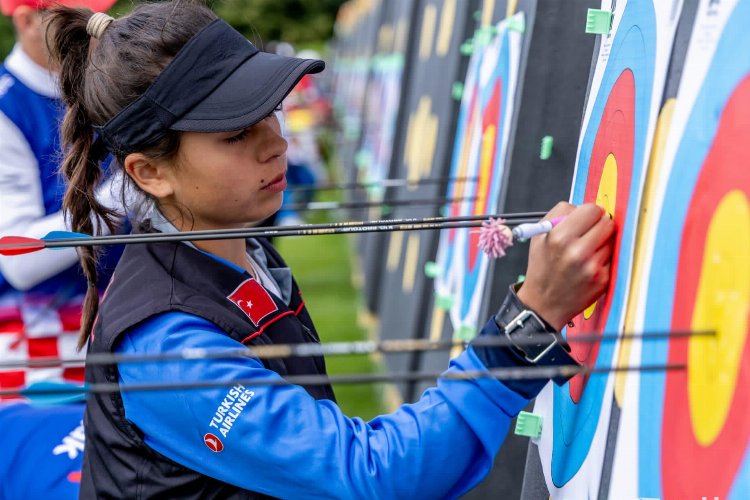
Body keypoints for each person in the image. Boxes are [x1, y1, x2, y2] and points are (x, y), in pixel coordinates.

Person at [44, 2, 615, 498]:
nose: (276, 140)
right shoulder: (169, 344)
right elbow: (371, 476)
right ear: (150, 173)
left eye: (267, 110)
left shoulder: (236, 252)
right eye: (235, 134)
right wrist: (529, 321)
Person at [0, 0, 119, 397]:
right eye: (78, 16)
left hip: (125, 322)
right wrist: (128, 195)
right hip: (40, 345)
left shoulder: (104, 85)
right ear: (27, 20)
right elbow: (17, 258)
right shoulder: (6, 108)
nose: (97, 26)